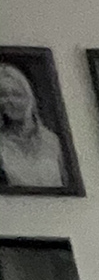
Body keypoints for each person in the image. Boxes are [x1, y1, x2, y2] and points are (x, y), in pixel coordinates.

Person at [0, 62, 68, 190]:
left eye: (17, 94)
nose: (10, 101)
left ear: (29, 96)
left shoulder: (52, 140)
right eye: (3, 95)